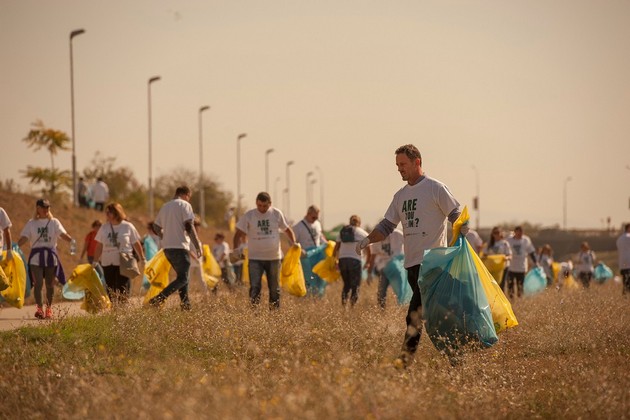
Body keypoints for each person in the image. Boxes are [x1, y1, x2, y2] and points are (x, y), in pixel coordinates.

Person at [355, 144, 463, 367]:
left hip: (432, 264)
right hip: (412, 265)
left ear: (417, 162)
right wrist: (367, 240)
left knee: (415, 314)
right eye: (397, 165)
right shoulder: (400, 196)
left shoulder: (435, 188)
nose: (399, 169)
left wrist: (464, 232)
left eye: (402, 164)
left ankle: (404, 361)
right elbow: (386, 225)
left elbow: (455, 214)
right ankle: (456, 357)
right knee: (434, 316)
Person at [233, 192, 296, 309]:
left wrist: (294, 244)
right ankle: (254, 312)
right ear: (256, 203)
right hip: (255, 258)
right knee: (255, 286)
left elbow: (287, 230)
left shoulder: (276, 214)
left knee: (274, 287)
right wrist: (236, 251)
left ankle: (274, 313)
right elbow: (238, 234)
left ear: (270, 204)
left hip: (274, 258)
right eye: (259, 205)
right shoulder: (249, 215)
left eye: (265, 206)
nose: (262, 208)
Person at [17, 199, 75, 319]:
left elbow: (62, 234)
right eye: (43, 207)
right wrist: (15, 247)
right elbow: (25, 237)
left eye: (48, 207)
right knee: (38, 283)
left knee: (50, 284)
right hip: (36, 258)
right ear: (37, 208)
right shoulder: (32, 223)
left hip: (50, 257)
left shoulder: (54, 222)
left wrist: (71, 240)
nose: (46, 209)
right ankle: (39, 309)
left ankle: (48, 309)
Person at [148, 186, 202, 310]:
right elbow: (189, 226)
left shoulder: (165, 206)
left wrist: (164, 236)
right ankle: (158, 299)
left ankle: (185, 305)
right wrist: (197, 244)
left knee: (182, 277)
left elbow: (155, 227)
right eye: (189, 197)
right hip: (180, 247)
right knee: (183, 278)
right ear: (186, 194)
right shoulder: (185, 205)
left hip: (167, 248)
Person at [93, 203, 145, 304]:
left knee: (123, 287)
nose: (107, 214)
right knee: (110, 288)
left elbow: (136, 243)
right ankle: (115, 310)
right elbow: (99, 246)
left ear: (116, 213)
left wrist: (142, 258)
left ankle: (122, 309)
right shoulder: (104, 228)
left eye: (109, 212)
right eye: (106, 212)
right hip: (108, 262)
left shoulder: (127, 226)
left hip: (123, 263)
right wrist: (95, 261)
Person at [334, 215, 370, 307]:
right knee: (355, 286)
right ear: (359, 223)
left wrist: (335, 261)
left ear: (349, 222)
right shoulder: (363, 233)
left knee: (346, 284)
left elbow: (336, 248)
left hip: (342, 260)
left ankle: (344, 306)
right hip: (355, 261)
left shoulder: (342, 232)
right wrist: (368, 262)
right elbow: (369, 250)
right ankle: (352, 307)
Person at [293, 205, 328, 297]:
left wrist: (327, 244)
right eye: (313, 217)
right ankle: (308, 298)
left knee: (320, 277)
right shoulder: (298, 227)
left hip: (318, 254)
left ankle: (319, 297)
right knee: (309, 278)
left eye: (317, 217)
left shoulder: (317, 224)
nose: (315, 219)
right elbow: (292, 242)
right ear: (308, 214)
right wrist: (300, 251)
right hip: (306, 257)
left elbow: (320, 236)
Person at [369, 226, 404, 309]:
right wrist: (369, 272)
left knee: (399, 289)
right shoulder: (375, 240)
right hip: (385, 268)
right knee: (382, 291)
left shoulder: (397, 234)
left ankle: (401, 307)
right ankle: (382, 309)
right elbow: (372, 257)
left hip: (397, 267)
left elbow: (409, 244)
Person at [505, 226, 537, 299]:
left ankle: (520, 298)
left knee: (520, 285)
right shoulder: (509, 240)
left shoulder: (526, 240)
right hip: (511, 267)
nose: (519, 234)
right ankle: (511, 298)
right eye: (518, 232)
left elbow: (531, 251)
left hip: (521, 267)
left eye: (521, 232)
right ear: (515, 232)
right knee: (510, 285)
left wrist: (536, 261)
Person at [616, 223, 630, 295]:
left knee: (625, 279)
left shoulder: (619, 238)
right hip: (629, 261)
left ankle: (625, 294)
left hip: (622, 262)